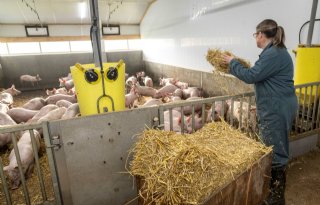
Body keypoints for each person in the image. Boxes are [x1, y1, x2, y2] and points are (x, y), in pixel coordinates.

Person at [222, 19, 298, 205]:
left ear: (261, 35)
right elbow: (270, 83)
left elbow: (251, 76)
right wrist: (261, 105)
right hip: (277, 104)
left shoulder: (273, 54)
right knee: (274, 147)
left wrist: (233, 63)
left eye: (255, 34)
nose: (255, 37)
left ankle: (276, 197)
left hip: (277, 108)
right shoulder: (276, 52)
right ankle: (272, 192)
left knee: (275, 150)